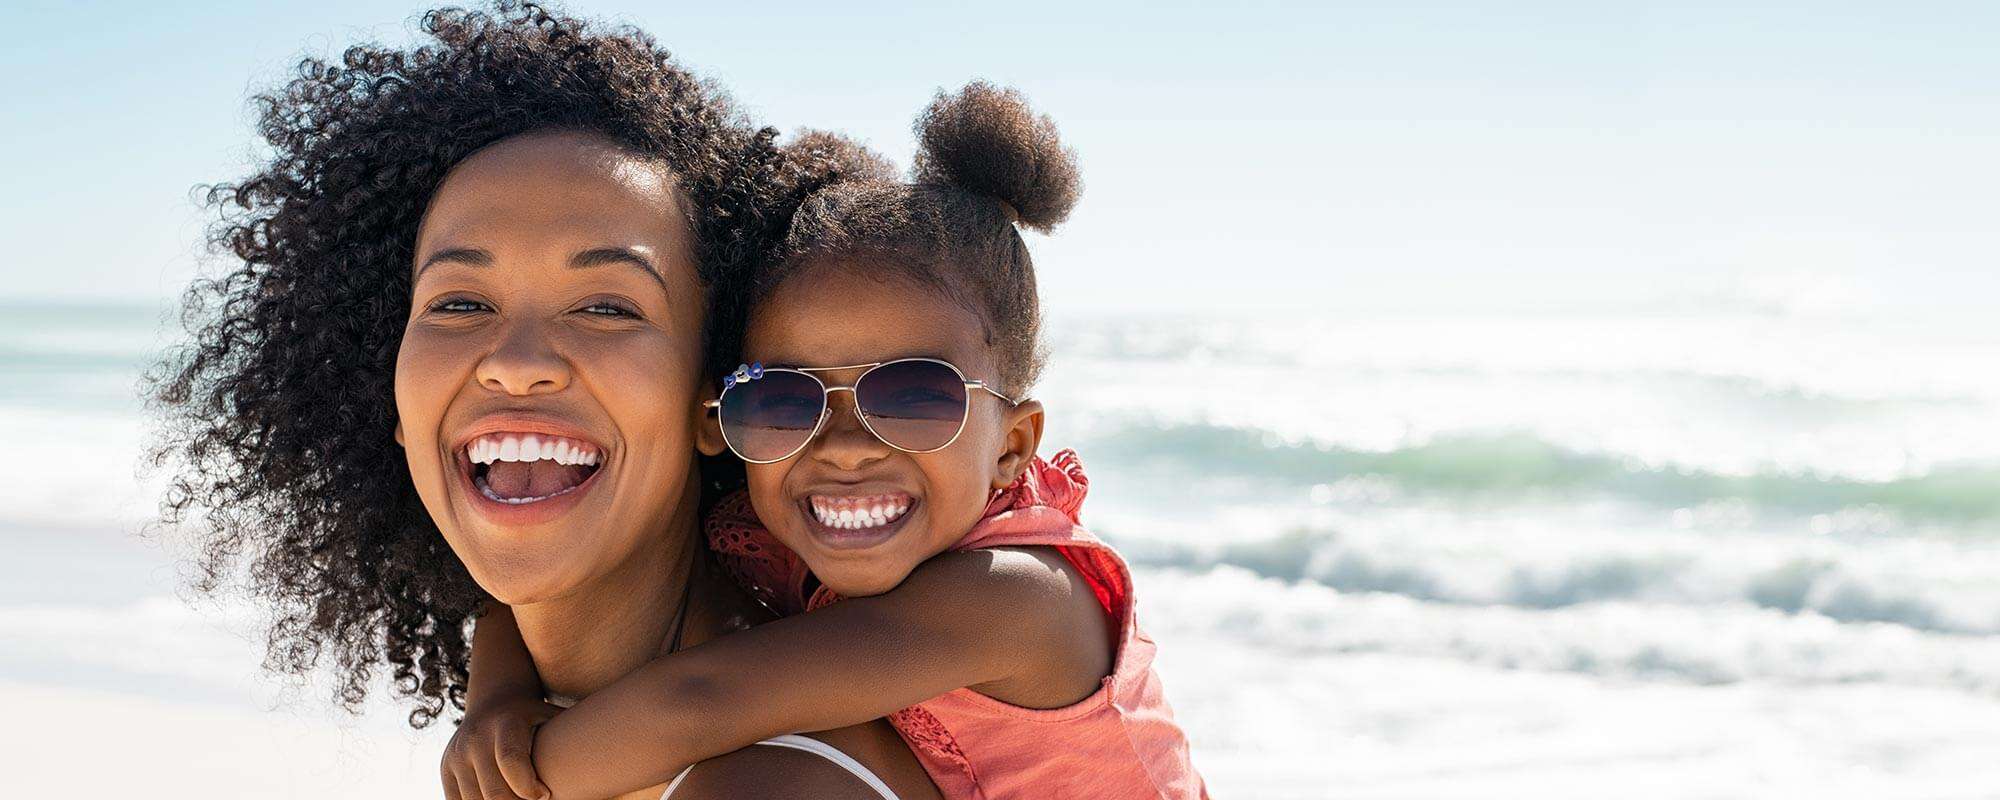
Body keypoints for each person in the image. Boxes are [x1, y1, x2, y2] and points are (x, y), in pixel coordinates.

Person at [149, 4, 939, 798]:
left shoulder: (770, 780)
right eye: (459, 304)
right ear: (391, 395)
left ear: (713, 405)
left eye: (606, 307)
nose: (517, 365)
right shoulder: (541, 708)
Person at [449, 82, 1208, 800]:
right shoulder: (775, 526)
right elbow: (530, 598)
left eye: (913, 397)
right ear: (719, 422)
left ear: (1013, 444)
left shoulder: (1020, 596)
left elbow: (704, 699)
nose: (843, 446)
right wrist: (499, 699)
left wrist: (516, 775)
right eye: (782, 400)